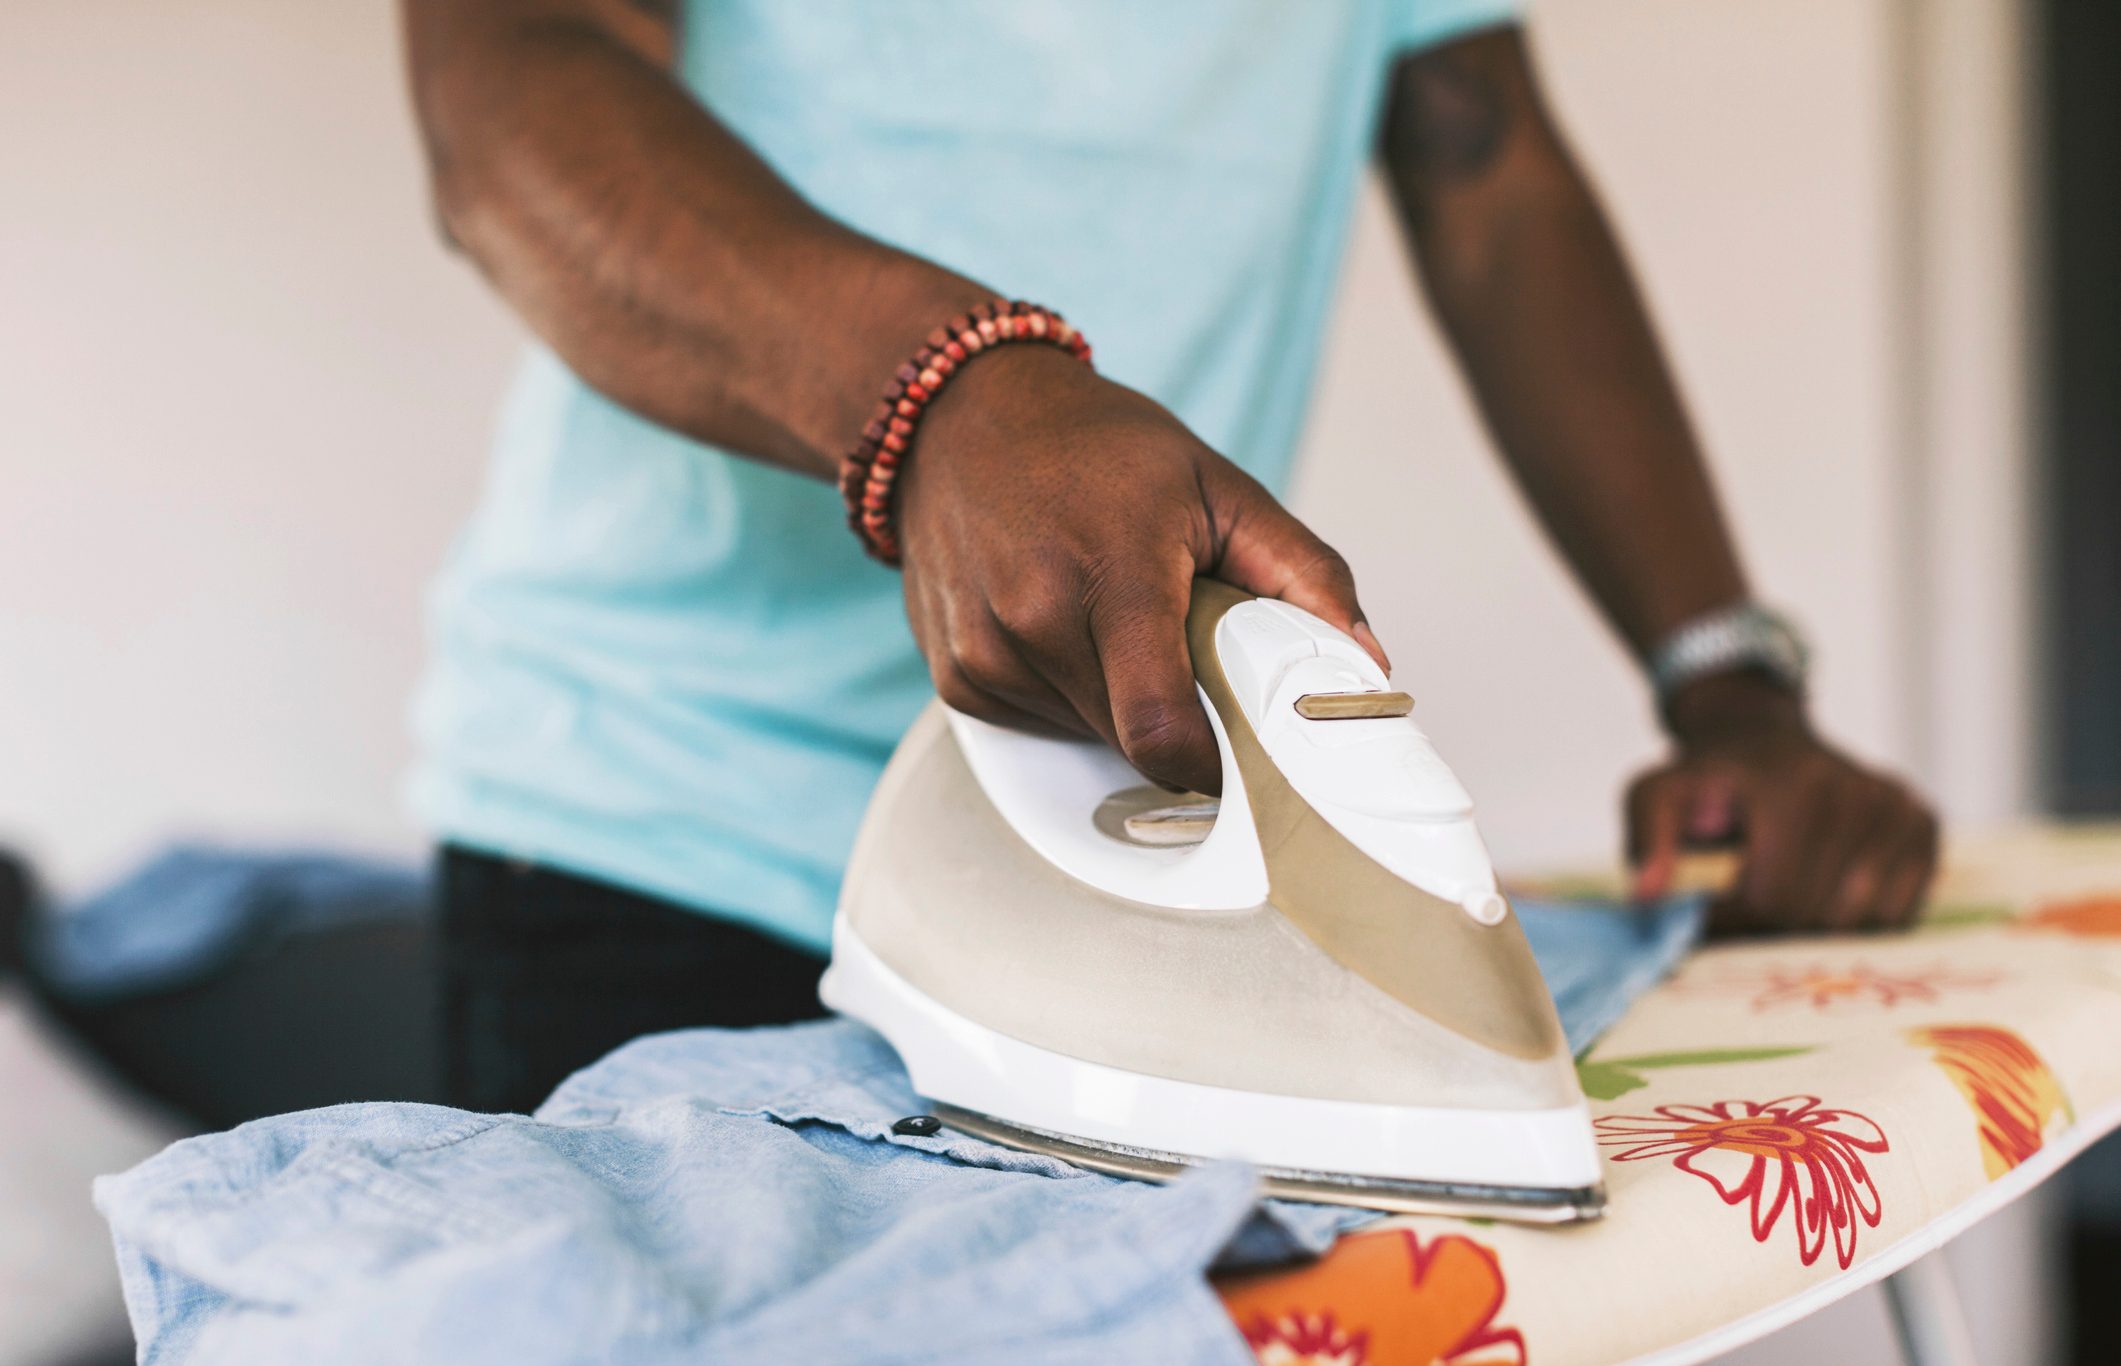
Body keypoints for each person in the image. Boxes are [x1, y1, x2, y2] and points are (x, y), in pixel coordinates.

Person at [399, 0, 1938, 1114]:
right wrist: (936, 388)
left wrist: (1722, 677)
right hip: (664, 824)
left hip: (1124, 843)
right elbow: (509, 85)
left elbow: (1489, 168)